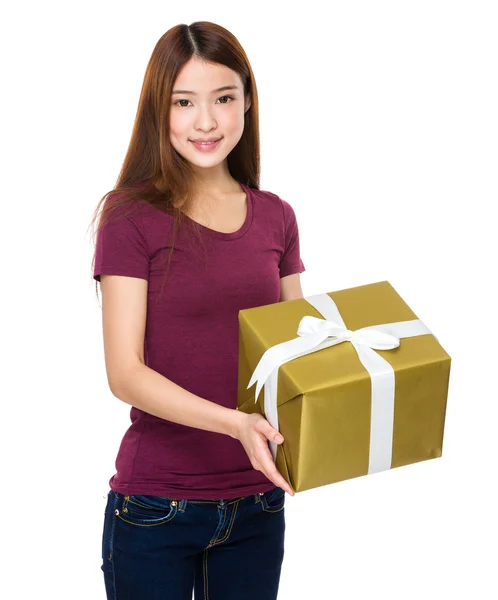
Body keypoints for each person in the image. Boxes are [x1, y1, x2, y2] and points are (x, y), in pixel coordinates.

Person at [90, 20, 306, 600]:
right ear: (159, 110)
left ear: (247, 102)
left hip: (259, 503)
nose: (205, 121)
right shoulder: (130, 218)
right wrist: (235, 424)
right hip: (157, 507)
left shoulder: (276, 216)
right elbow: (124, 373)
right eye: (184, 102)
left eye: (223, 99)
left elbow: (297, 354)